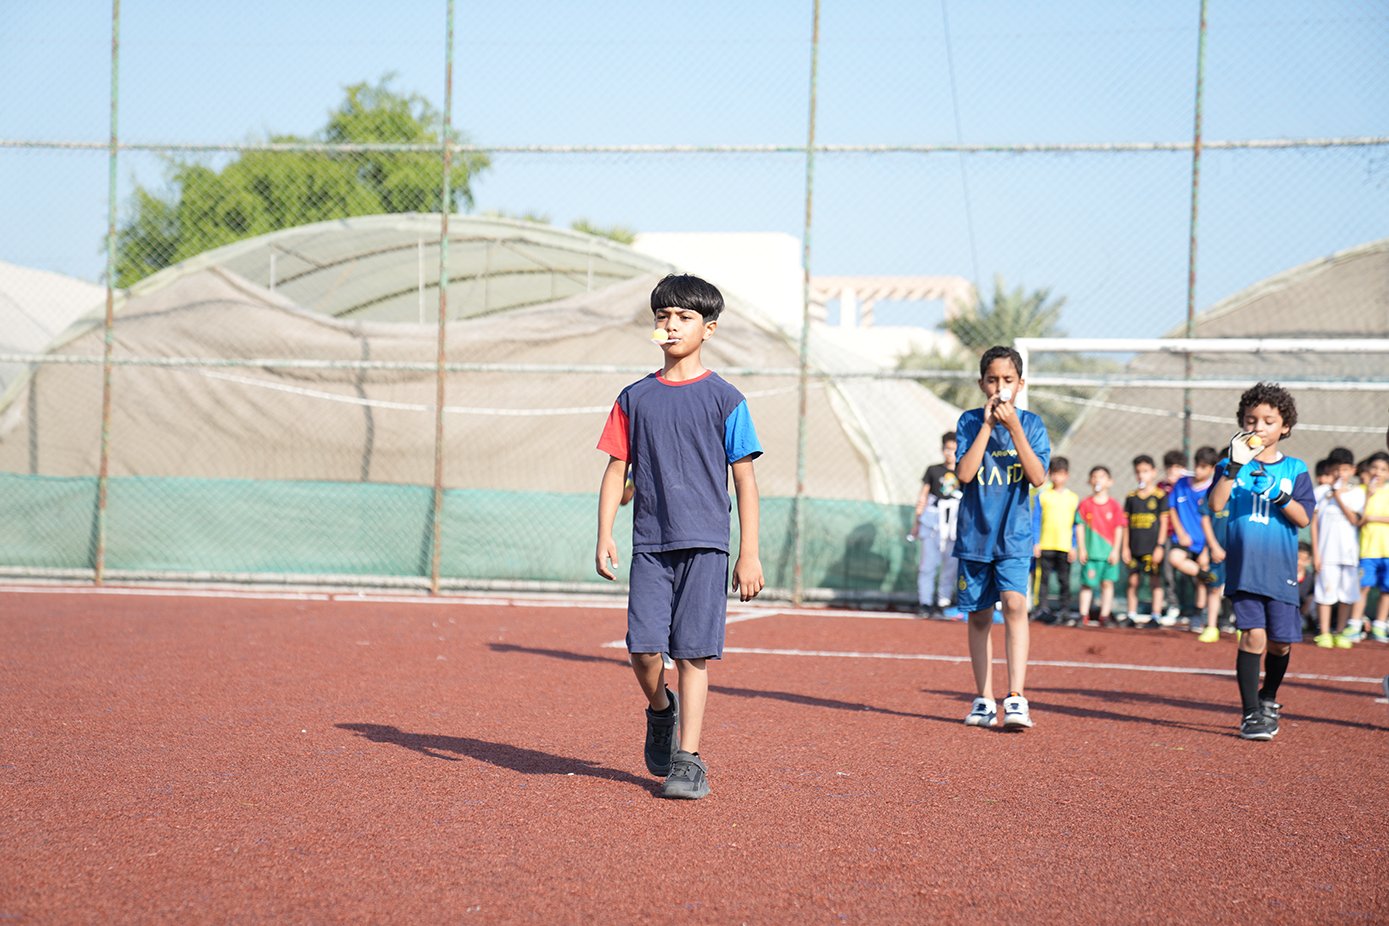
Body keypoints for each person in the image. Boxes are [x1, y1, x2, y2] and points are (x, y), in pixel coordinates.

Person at [595, 273, 764, 799]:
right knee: (643, 649)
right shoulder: (634, 397)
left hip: (707, 545)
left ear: (708, 329)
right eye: (663, 316)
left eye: (684, 317)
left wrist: (749, 553)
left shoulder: (726, 399)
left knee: (692, 655)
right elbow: (616, 469)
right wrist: (604, 533)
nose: (671, 326)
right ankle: (660, 710)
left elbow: (745, 480)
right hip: (651, 544)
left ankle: (688, 760)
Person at [1207, 381, 1315, 741]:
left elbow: (1303, 518)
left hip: (1280, 569)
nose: (1259, 427)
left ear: (1285, 427)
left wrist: (1277, 493)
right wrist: (1233, 467)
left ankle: (1268, 697)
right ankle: (1251, 713)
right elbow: (1216, 504)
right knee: (1252, 636)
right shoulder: (1229, 464)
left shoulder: (1296, 468)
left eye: (1269, 421)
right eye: (1251, 420)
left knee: (1281, 642)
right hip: (1245, 568)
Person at [953, 345, 1050, 729]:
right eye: (992, 380)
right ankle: (983, 698)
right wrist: (988, 426)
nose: (1000, 387)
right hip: (975, 536)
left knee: (1014, 604)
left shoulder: (1032, 424)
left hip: (1014, 536)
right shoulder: (968, 422)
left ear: (1020, 384)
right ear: (982, 383)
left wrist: (1013, 428)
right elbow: (964, 474)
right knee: (979, 615)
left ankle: (1016, 696)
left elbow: (1038, 476)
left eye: (1007, 380)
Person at [1310, 448, 1362, 648]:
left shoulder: (1357, 493)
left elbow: (1355, 520)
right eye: (1336, 469)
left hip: (1349, 554)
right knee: (1325, 593)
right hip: (1326, 553)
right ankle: (1324, 632)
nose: (1341, 473)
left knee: (1346, 595)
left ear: (1353, 470)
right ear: (1330, 470)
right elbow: (1314, 524)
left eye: (1345, 469)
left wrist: (1338, 496)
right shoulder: (1320, 492)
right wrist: (1316, 553)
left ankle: (1340, 632)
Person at [1166, 446, 1220, 627]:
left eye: (1203, 467)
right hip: (1183, 539)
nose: (1198, 469)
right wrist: (1181, 532)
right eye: (1197, 464)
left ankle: (1199, 613)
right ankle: (1207, 575)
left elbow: (1212, 521)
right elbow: (1172, 508)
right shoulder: (1181, 484)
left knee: (1201, 577)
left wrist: (1207, 549)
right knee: (1175, 558)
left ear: (1212, 469)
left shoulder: (1213, 490)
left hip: (1204, 541)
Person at [909, 431, 961, 617]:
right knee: (927, 565)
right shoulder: (933, 470)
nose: (950, 453)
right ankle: (925, 602)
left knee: (951, 566)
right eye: (947, 449)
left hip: (955, 525)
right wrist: (917, 522)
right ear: (942, 449)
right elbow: (923, 496)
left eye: (954, 450)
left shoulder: (965, 471)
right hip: (933, 523)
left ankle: (943, 601)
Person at [1122, 455, 1170, 626]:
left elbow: (1164, 522)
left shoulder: (1159, 496)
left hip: (1152, 547)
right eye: (1138, 472)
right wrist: (1125, 547)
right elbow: (1125, 524)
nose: (1141, 475)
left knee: (1155, 581)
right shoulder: (1131, 497)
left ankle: (1155, 615)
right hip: (1134, 547)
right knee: (1132, 581)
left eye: (1145, 471)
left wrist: (1160, 546)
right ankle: (1131, 614)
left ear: (1154, 472)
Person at [1076, 465, 1124, 627]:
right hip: (1091, 553)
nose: (1098, 480)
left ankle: (1105, 615)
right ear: (1089, 481)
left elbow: (1119, 528)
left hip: (1108, 554)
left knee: (1107, 583)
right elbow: (1080, 526)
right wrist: (1082, 548)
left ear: (1110, 481)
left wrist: (1116, 550)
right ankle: (1083, 615)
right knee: (1087, 584)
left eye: (1102, 476)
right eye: (1094, 476)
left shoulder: (1115, 505)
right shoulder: (1085, 504)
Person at [1034, 457, 1080, 624]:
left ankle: (1065, 610)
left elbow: (1075, 525)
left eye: (1060, 474)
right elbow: (1036, 520)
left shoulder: (1073, 498)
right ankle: (1042, 608)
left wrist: (1074, 546)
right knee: (1043, 579)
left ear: (1066, 475)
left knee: (1064, 580)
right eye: (1053, 473)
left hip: (1064, 546)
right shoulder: (1042, 496)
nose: (1057, 477)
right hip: (1046, 544)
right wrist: (1036, 542)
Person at [1357, 453, 1389, 643]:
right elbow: (1358, 519)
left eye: (1383, 469)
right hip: (1367, 550)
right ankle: (1355, 624)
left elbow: (1369, 517)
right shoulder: (1360, 491)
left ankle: (1380, 625)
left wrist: (1373, 518)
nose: (1378, 472)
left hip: (1387, 551)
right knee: (1363, 587)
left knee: (1387, 590)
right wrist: (1368, 495)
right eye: (1375, 468)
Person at [1197, 490, 1231, 642]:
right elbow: (1205, 520)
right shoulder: (1213, 492)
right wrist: (1212, 547)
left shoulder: (1244, 492)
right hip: (1216, 550)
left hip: (1239, 550)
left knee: (1242, 590)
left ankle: (1243, 628)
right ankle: (1211, 627)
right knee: (1214, 588)